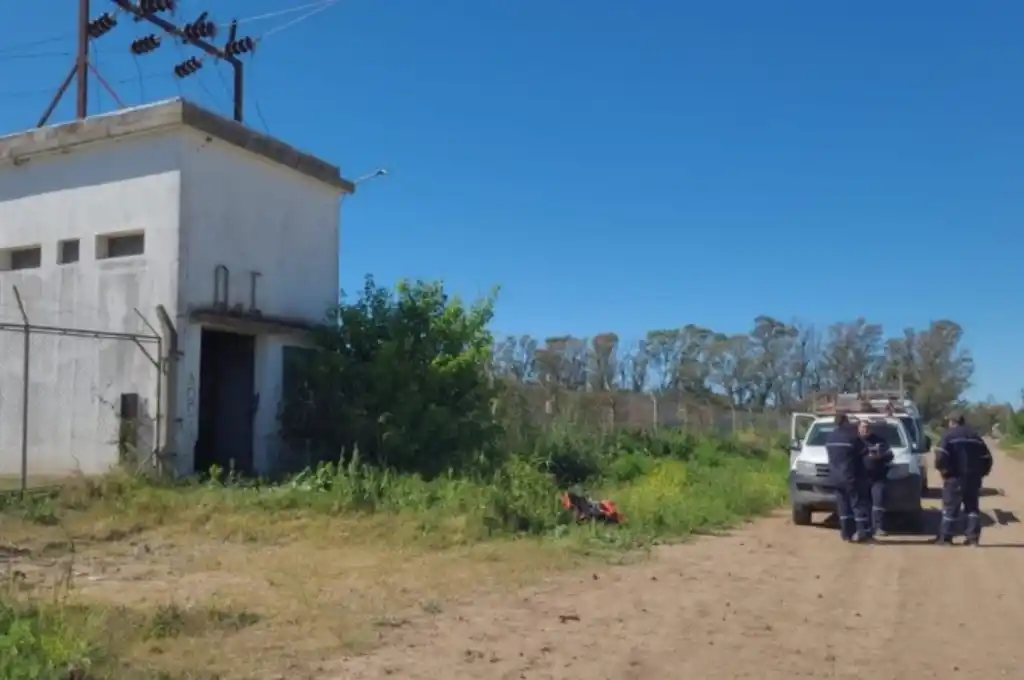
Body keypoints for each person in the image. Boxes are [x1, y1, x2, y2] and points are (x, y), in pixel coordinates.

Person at [934, 411, 994, 546]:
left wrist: (944, 472)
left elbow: (940, 457)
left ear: (952, 422)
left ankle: (946, 539)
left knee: (950, 508)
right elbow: (987, 458)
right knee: (972, 508)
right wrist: (981, 473)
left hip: (954, 478)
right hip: (973, 479)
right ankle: (973, 538)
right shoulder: (976, 437)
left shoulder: (948, 436)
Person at [826, 412, 871, 542]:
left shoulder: (830, 437)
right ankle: (861, 533)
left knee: (843, 506)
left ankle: (846, 534)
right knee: (857, 505)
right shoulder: (852, 437)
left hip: (835, 478)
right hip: (851, 477)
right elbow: (864, 452)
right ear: (845, 421)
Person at [858, 420, 894, 537]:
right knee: (863, 504)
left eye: (867, 427)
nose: (865, 430)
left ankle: (878, 527)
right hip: (861, 478)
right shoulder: (855, 441)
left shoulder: (880, 441)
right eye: (863, 428)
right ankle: (865, 528)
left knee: (878, 503)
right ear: (858, 429)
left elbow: (890, 455)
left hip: (878, 477)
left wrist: (880, 456)